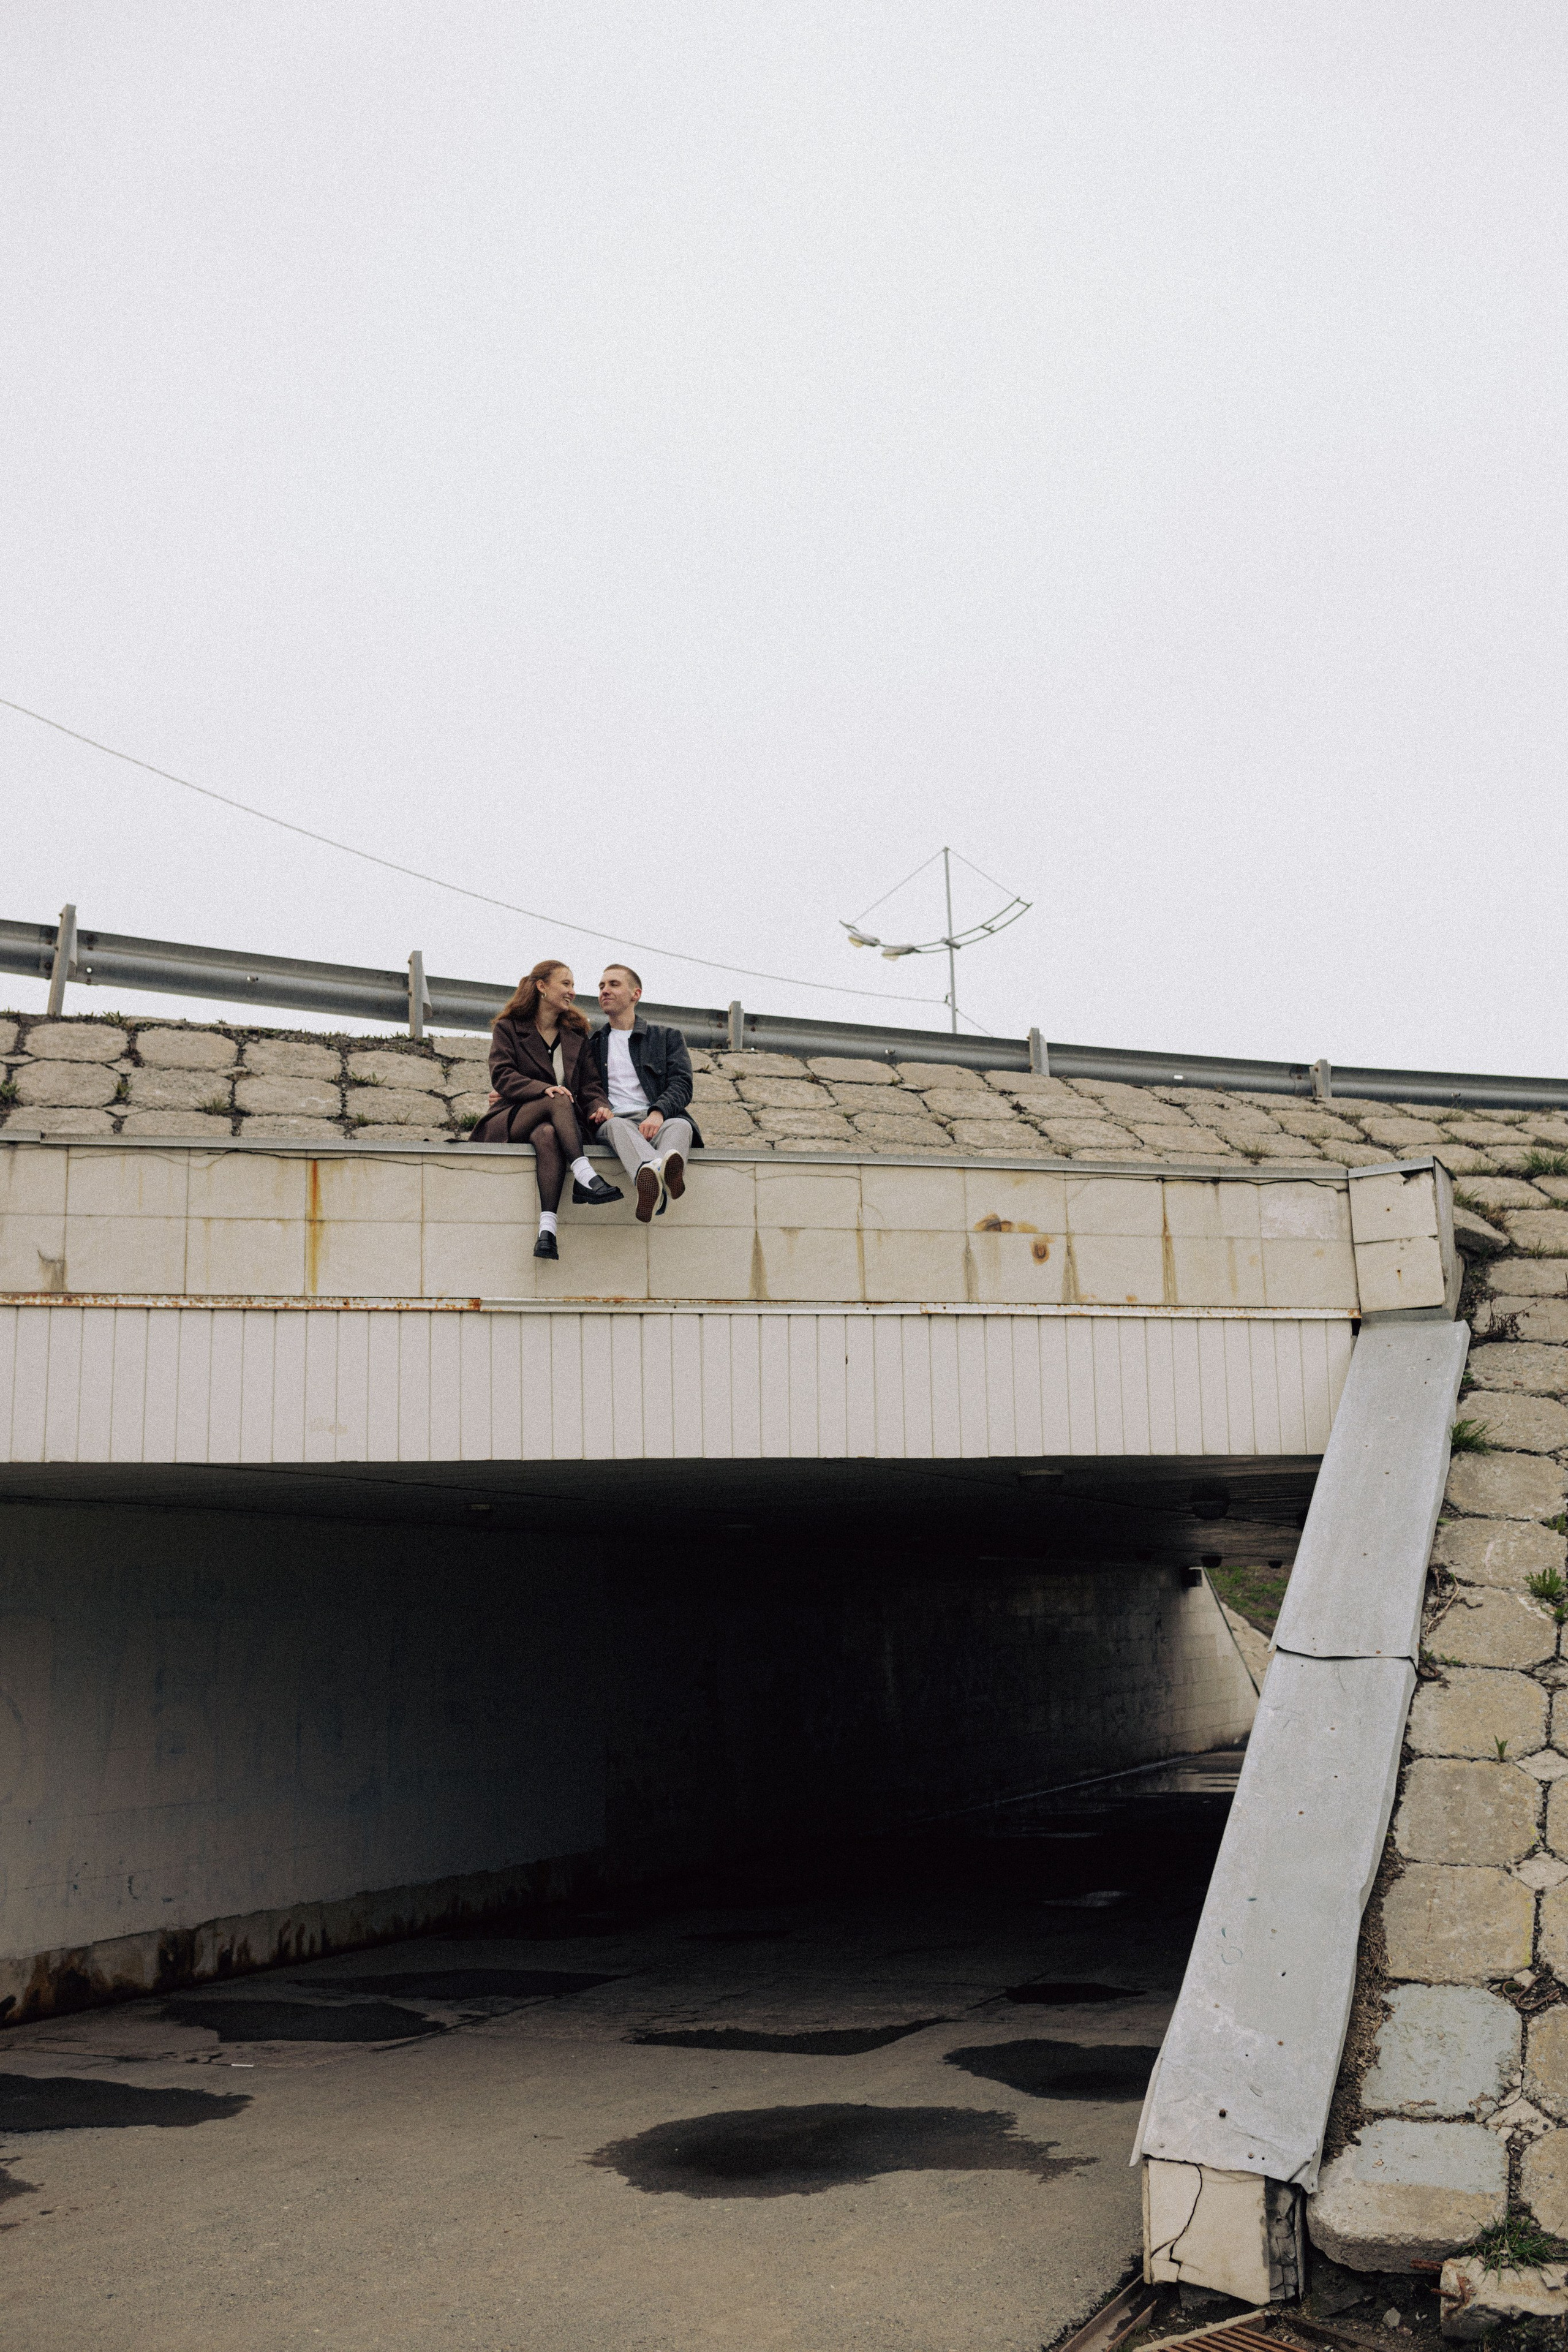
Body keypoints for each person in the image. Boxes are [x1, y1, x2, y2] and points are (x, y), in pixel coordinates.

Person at [466, 959, 622, 1259]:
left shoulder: (576, 1035)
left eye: (573, 985)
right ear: (541, 986)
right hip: (515, 1116)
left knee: (548, 1134)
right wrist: (542, 1089)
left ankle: (547, 1232)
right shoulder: (508, 1028)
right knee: (558, 1097)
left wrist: (601, 1106)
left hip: (560, 1124)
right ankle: (585, 1174)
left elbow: (590, 1085)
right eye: (566, 984)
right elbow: (502, 1074)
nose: (572, 991)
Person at [585, 963, 703, 1222]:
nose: (605, 991)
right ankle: (656, 1175)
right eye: (602, 986)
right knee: (617, 1126)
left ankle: (655, 1180)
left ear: (635, 994)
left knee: (682, 1126)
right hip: (616, 1121)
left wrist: (658, 1113)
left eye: (614, 984)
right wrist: (599, 1106)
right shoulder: (591, 1045)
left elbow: (682, 1083)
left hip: (657, 1119)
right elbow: (586, 1088)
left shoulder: (666, 1037)